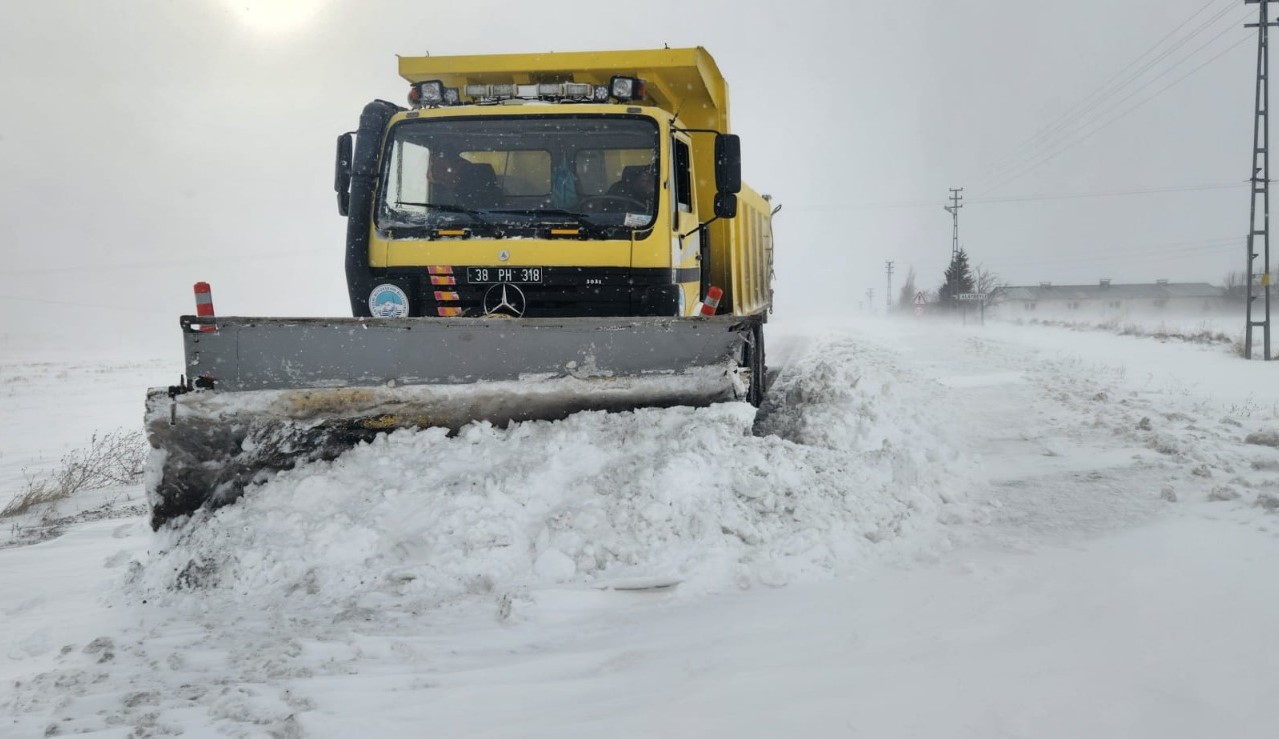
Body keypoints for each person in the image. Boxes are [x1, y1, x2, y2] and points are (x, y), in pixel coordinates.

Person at [427, 149, 502, 209]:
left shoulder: (480, 188)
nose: (444, 176)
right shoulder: (440, 196)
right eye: (440, 178)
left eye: (445, 170)